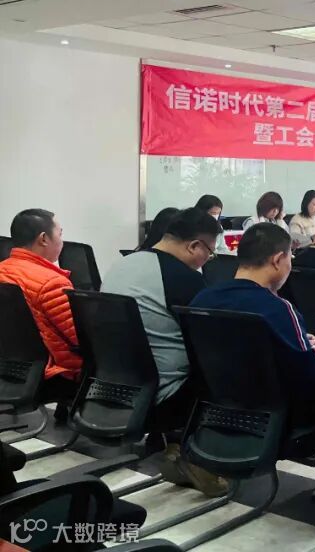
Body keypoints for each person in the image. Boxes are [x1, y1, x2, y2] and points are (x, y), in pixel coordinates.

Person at [101, 208, 228, 496]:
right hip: (165, 396)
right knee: (231, 367)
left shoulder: (124, 264)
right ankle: (199, 456)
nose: (207, 260)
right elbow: (212, 339)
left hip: (116, 386)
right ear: (194, 246)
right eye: (209, 253)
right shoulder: (183, 278)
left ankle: (176, 446)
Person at [191, 224, 315, 428]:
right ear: (277, 260)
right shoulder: (278, 309)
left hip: (214, 412)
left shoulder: (202, 299)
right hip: (274, 420)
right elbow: (309, 375)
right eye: (289, 259)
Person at [0, 209, 81, 402]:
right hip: (53, 375)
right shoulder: (52, 282)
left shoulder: (3, 271)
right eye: (60, 234)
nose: (62, 241)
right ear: (44, 239)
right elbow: (79, 338)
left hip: (9, 369)